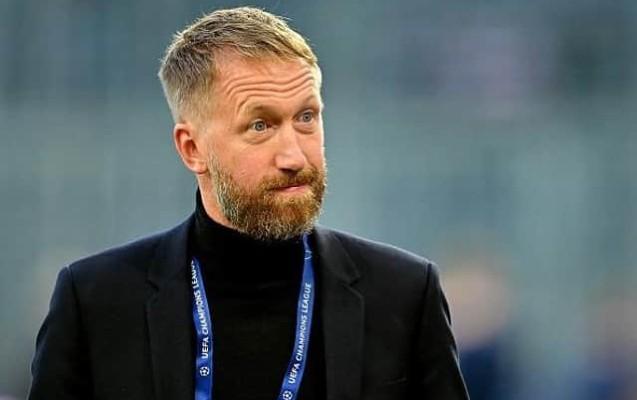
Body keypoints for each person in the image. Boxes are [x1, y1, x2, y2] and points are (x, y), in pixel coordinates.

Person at [28, 7, 468, 400]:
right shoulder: (96, 302)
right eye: (260, 125)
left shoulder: (404, 295)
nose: (294, 157)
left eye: (306, 117)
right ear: (192, 149)